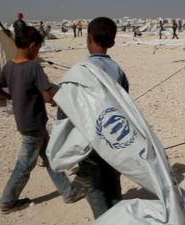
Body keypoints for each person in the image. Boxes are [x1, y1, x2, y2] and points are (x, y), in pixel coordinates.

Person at [0, 26, 83, 214]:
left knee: (49, 158)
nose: (38, 52)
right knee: (24, 165)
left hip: (24, 121)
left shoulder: (9, 66)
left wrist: (10, 97)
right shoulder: (33, 67)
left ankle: (68, 192)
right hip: (34, 123)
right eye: (38, 48)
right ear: (32, 46)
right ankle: (8, 201)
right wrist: (58, 97)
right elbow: (48, 96)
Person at [60, 17, 129, 219]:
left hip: (90, 140)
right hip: (114, 139)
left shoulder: (79, 70)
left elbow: (67, 108)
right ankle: (117, 218)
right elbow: (125, 105)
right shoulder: (118, 71)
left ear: (88, 38)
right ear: (113, 43)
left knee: (95, 187)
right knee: (113, 182)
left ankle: (104, 219)